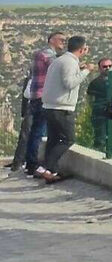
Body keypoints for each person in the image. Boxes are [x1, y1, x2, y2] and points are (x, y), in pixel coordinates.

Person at [39, 35, 94, 183]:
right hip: (61, 108)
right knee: (68, 139)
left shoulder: (59, 60)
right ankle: (46, 167)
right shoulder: (69, 62)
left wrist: (79, 68)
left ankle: (51, 171)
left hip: (49, 106)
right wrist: (86, 71)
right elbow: (69, 83)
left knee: (54, 139)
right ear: (82, 49)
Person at [11, 32, 64, 175]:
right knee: (38, 132)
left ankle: (27, 163)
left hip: (34, 97)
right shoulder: (48, 56)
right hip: (43, 98)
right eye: (61, 40)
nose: (63, 43)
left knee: (32, 132)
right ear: (52, 40)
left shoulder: (39, 54)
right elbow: (59, 70)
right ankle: (33, 165)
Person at [85, 57, 112, 152]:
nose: (108, 68)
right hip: (100, 114)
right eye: (105, 66)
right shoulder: (95, 83)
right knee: (100, 139)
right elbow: (90, 99)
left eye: (110, 66)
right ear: (100, 68)